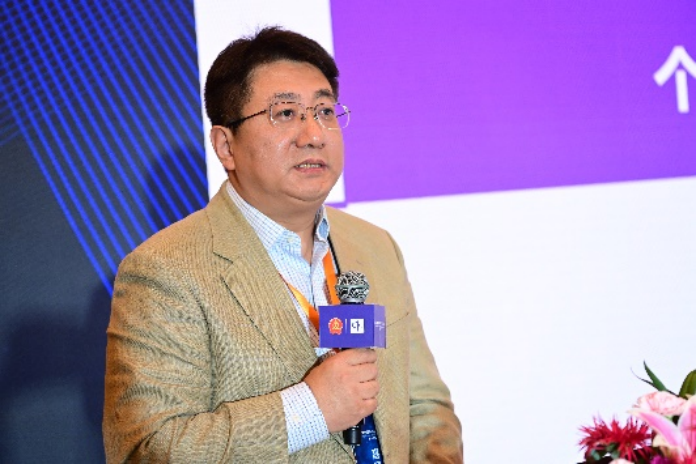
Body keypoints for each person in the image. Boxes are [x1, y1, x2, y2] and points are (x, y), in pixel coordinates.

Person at [103, 27, 463, 463]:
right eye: (286, 113)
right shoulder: (165, 270)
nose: (314, 134)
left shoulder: (375, 245)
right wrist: (310, 409)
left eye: (325, 111)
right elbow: (147, 450)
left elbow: (425, 407)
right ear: (226, 146)